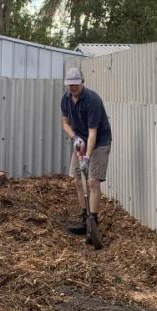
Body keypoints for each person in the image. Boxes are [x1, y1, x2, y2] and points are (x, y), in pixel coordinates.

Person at [60, 67, 112, 241]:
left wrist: (87, 158)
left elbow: (93, 133)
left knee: (93, 182)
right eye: (70, 85)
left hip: (99, 143)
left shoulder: (92, 100)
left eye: (75, 84)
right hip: (80, 141)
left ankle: (93, 223)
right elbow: (65, 124)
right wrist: (74, 138)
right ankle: (84, 220)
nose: (73, 88)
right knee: (77, 180)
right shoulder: (66, 99)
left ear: (82, 82)